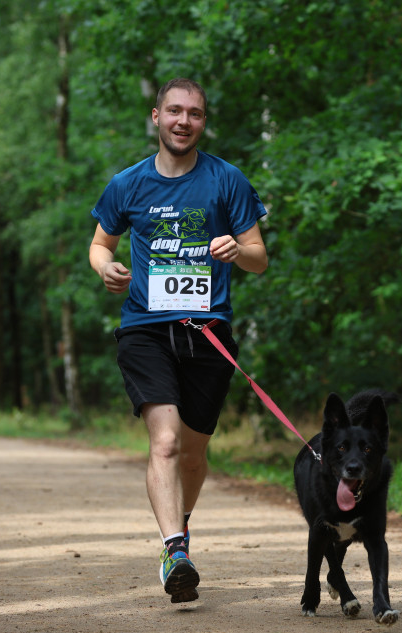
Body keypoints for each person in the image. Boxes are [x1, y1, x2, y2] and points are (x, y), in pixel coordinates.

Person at [88, 77, 268, 604]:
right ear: (156, 116)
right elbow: (100, 244)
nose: (183, 121)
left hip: (208, 334)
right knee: (164, 441)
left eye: (194, 113)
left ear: (202, 122)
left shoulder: (227, 180)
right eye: (174, 111)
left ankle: (181, 528)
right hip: (145, 329)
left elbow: (259, 257)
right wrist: (107, 268)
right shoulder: (128, 184)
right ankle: (174, 550)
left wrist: (238, 249)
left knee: (192, 453)